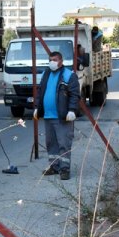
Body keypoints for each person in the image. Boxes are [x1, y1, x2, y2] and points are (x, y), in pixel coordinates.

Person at [33, 51, 80, 180]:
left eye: (54, 60)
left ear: (61, 61)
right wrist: (37, 107)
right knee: (51, 143)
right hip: (48, 116)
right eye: (50, 60)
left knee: (63, 143)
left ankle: (64, 169)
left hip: (62, 116)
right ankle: (54, 166)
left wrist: (72, 110)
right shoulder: (46, 74)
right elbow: (40, 92)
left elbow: (75, 95)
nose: (51, 62)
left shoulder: (69, 75)